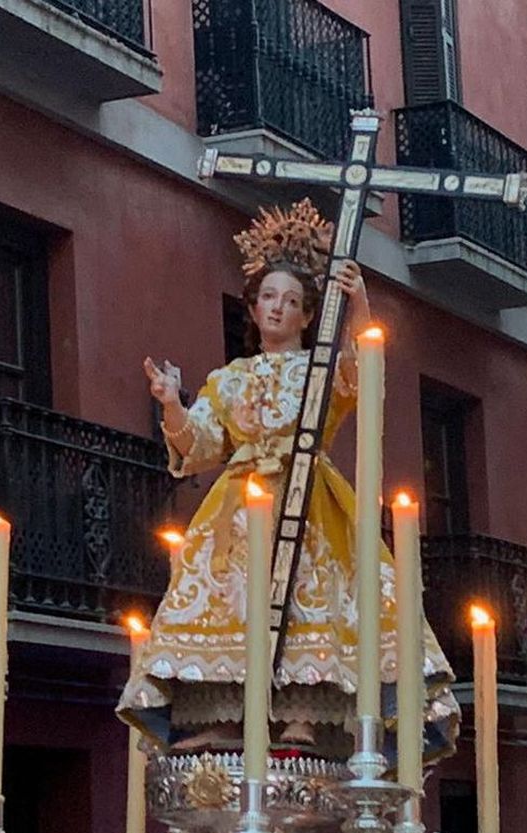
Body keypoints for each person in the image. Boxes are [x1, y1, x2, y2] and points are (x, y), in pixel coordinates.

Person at [117, 200, 459, 763]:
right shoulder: (229, 379)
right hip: (237, 508)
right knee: (229, 602)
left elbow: (361, 370)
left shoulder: (320, 368)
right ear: (254, 309)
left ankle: (303, 712)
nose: (278, 308)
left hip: (309, 498)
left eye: (292, 301)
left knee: (309, 602)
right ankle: (218, 712)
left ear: (306, 316)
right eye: (269, 298)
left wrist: (359, 305)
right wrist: (171, 403)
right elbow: (199, 446)